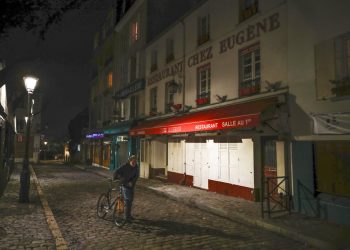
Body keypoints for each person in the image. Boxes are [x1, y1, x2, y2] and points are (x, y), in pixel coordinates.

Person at [113, 155, 139, 221]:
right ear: (130, 161)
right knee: (128, 200)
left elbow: (136, 177)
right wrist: (116, 179)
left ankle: (128, 215)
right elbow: (116, 171)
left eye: (135, 161)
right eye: (133, 161)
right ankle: (127, 217)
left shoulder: (136, 167)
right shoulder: (125, 166)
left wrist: (132, 182)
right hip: (124, 184)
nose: (134, 163)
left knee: (130, 201)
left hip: (131, 186)